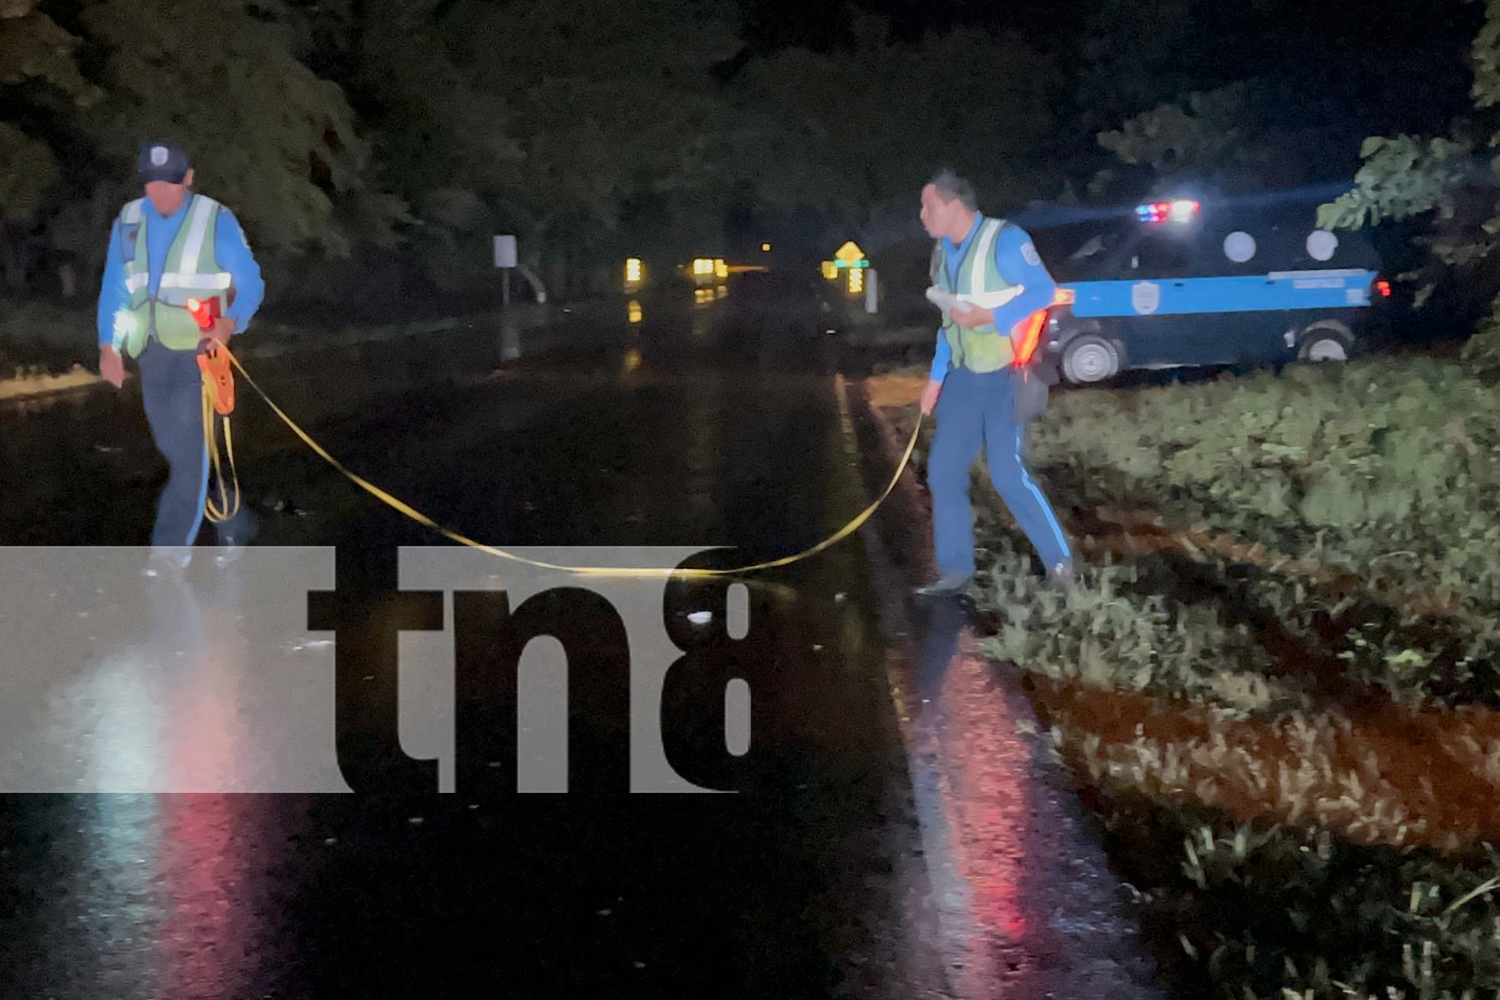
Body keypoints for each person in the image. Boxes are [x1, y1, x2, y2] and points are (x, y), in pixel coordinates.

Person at [96, 139, 264, 576]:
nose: (161, 193)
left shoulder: (214, 219)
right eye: (153, 184)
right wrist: (107, 346)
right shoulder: (129, 219)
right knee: (174, 450)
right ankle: (234, 517)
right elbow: (115, 285)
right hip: (150, 353)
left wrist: (230, 323)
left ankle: (169, 553)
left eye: (170, 183)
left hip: (198, 353)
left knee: (188, 456)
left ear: (187, 179)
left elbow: (250, 281)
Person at [915, 167, 1074, 595]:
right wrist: (935, 378)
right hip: (963, 381)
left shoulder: (1005, 241)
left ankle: (1061, 566)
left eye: (928, 206)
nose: (923, 215)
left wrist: (991, 317)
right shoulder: (942, 253)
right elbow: (949, 323)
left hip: (1006, 376)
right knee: (944, 472)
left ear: (952, 205)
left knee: (1007, 474)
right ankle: (955, 572)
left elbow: (1043, 291)